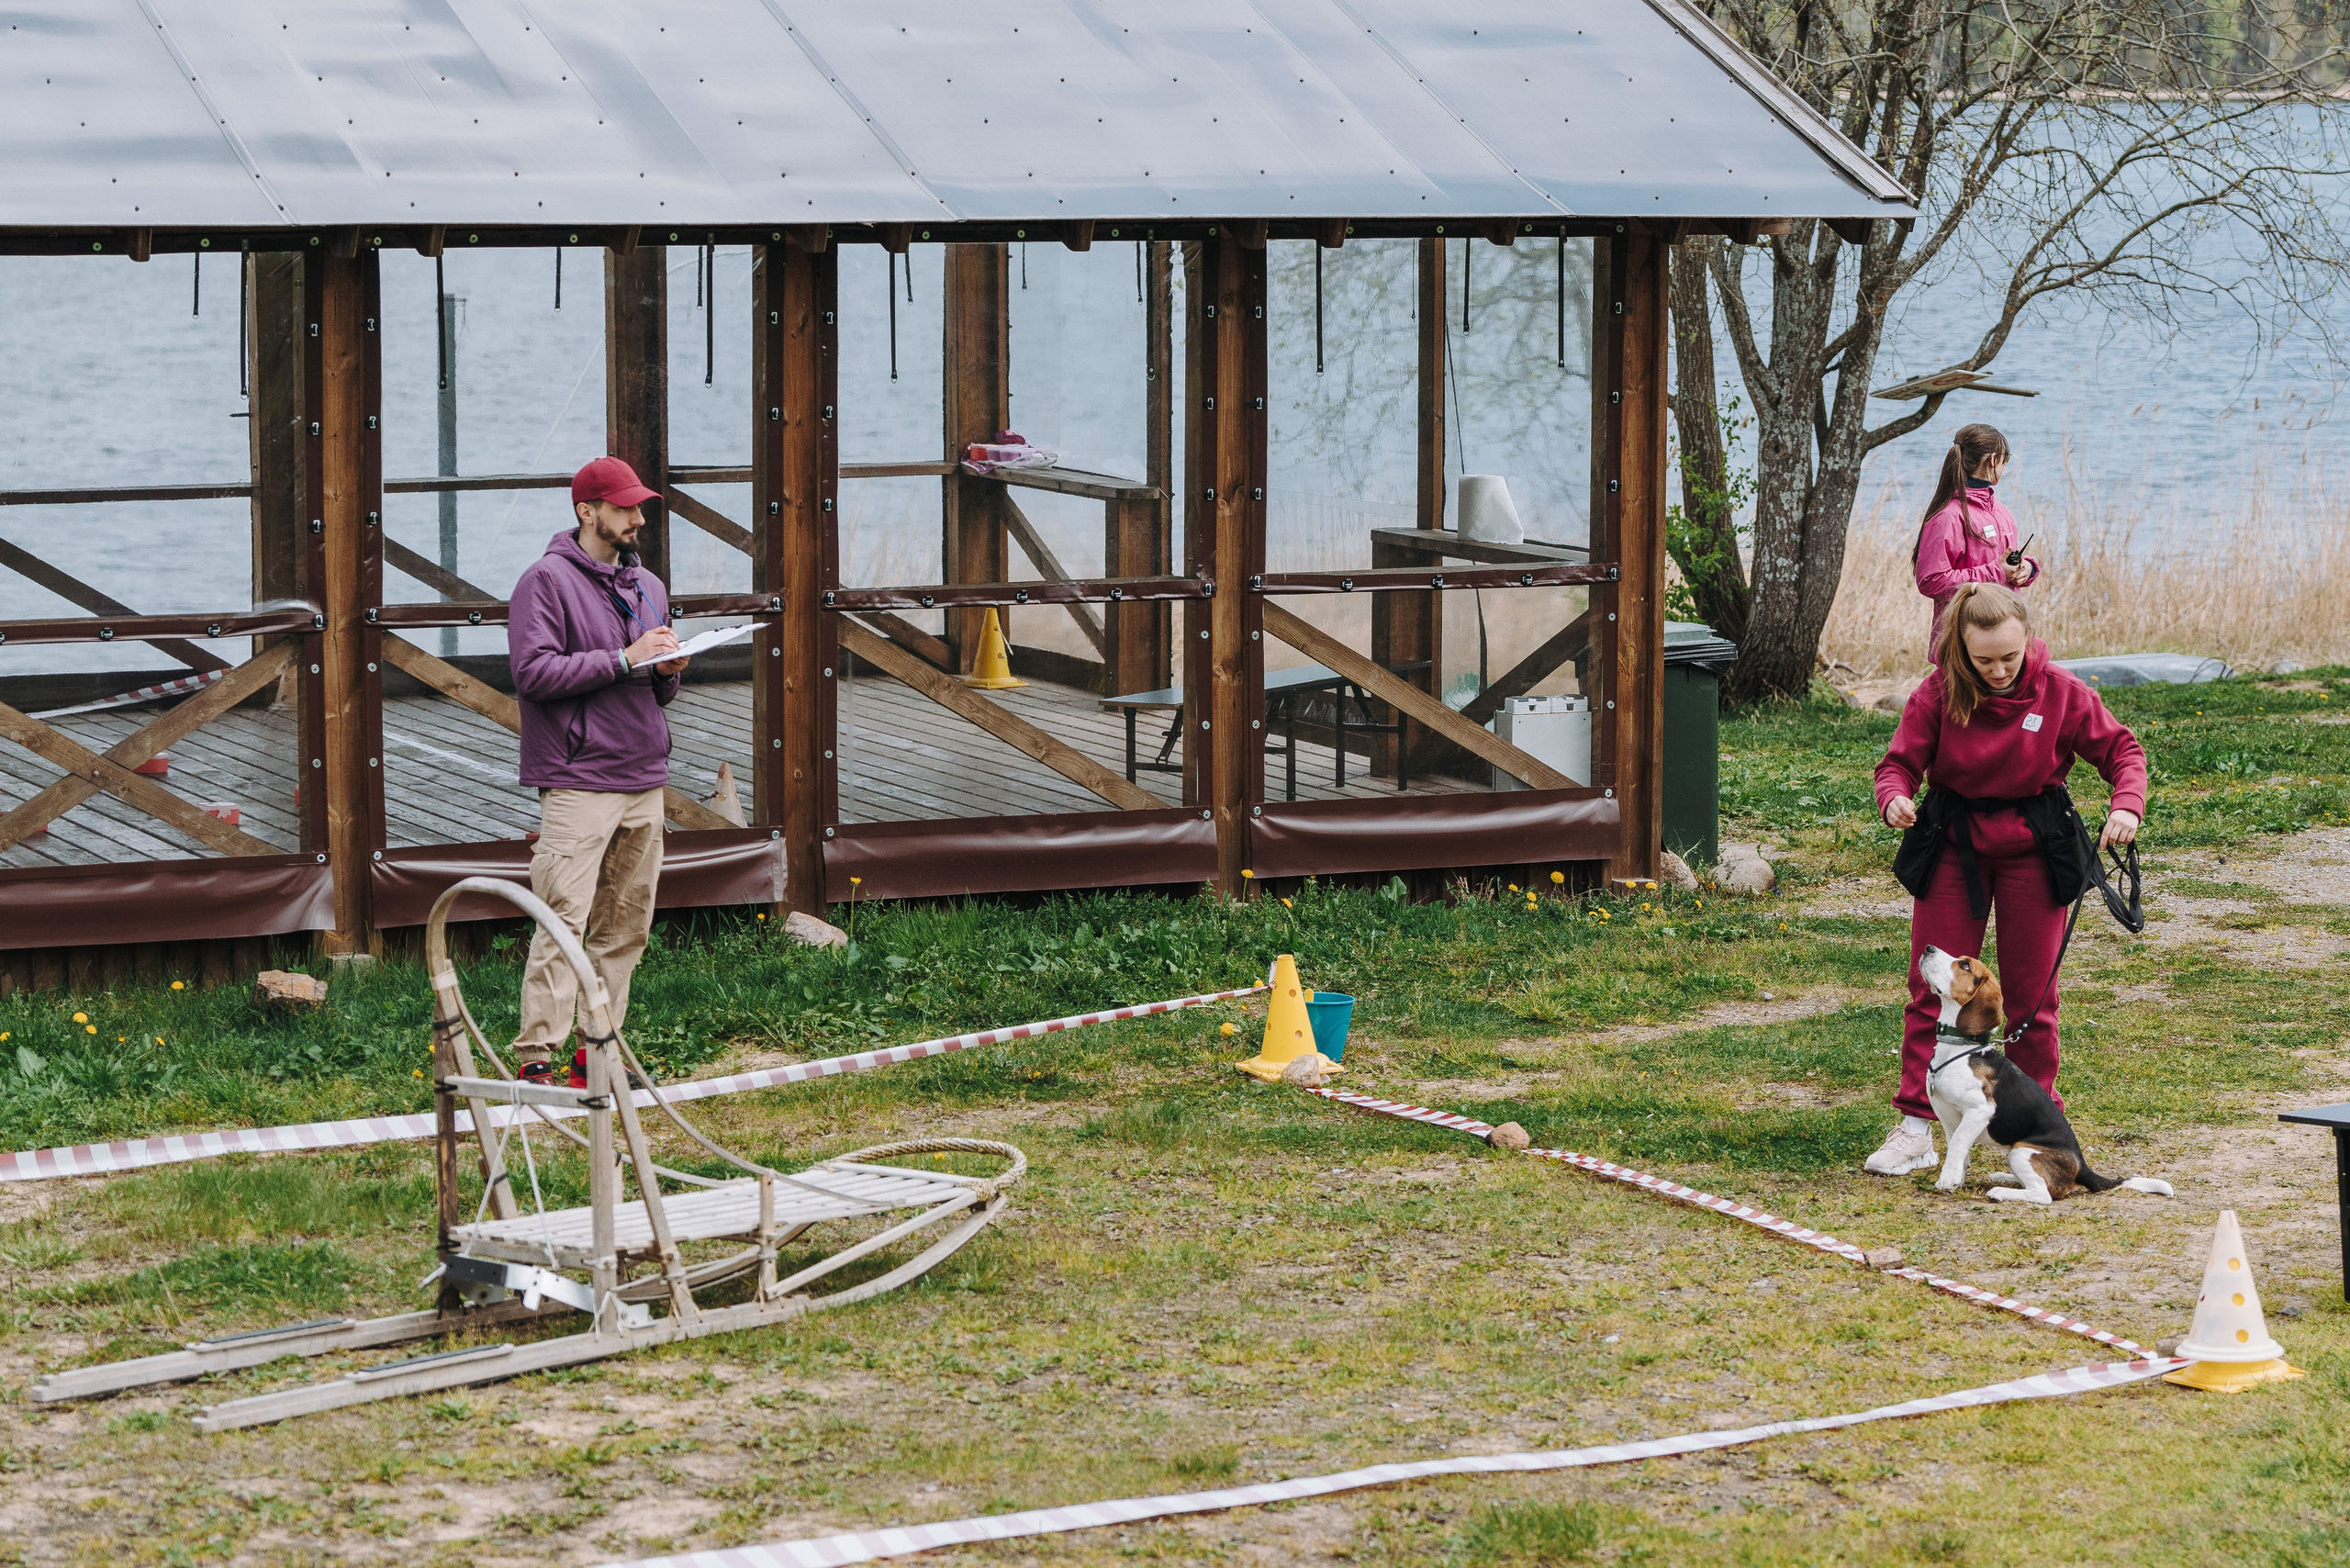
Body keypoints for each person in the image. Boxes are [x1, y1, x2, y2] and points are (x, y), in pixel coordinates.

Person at [1863, 583, 2144, 1176]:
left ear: (2027, 642)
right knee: (1932, 989)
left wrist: (2126, 804)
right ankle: (1917, 1128)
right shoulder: (1938, 692)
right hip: (1953, 844)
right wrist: (1895, 798)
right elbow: (1898, 764)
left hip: (2034, 848)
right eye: (1983, 660)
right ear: (1961, 649)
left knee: (2032, 997)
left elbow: (2122, 751)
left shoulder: (2063, 691)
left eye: (2009, 658)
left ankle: (2034, 1125)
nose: (1997, 670)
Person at [507, 457, 690, 1087]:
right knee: (563, 920)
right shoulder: (544, 582)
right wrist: (623, 657)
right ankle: (537, 1061)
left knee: (626, 928)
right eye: (624, 508)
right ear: (588, 511)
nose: (638, 518)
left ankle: (597, 1055)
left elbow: (651, 692)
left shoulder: (650, 587)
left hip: (644, 776)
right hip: (578, 779)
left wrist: (664, 673)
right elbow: (532, 675)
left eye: (640, 507)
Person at [1914, 423, 2038, 656]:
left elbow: (2004, 564)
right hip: (1963, 641)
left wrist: (2026, 568)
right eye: (2006, 459)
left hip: (2006, 636)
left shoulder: (2000, 511)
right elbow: (1930, 580)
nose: (2005, 466)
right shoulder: (1948, 516)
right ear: (1993, 460)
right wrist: (1997, 572)